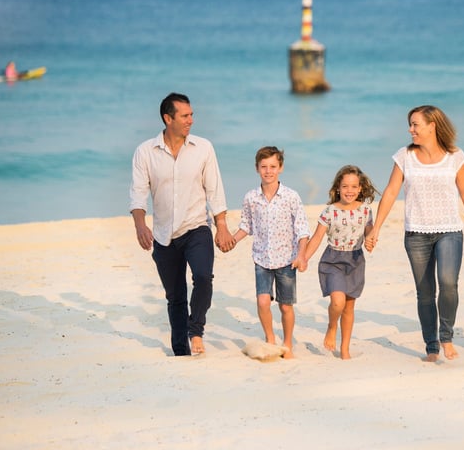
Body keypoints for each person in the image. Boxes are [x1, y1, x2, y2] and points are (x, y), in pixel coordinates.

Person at [365, 105, 464, 362]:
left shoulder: (455, 156)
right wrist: (376, 227)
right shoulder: (404, 156)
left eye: (415, 124)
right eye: (410, 125)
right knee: (424, 291)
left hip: (450, 230)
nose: (411, 130)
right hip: (416, 233)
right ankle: (431, 346)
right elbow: (390, 192)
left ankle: (446, 336)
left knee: (448, 283)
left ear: (432, 125)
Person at [129, 92, 235, 357]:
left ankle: (196, 329)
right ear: (168, 118)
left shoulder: (204, 148)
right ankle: (180, 352)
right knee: (175, 297)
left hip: (197, 226)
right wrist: (140, 225)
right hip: (164, 235)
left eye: (191, 115)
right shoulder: (145, 152)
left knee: (202, 277)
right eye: (185, 116)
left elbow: (215, 190)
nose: (191, 120)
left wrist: (221, 225)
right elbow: (138, 193)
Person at [231, 146, 310, 359]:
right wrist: (232, 240)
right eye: (264, 167)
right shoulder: (251, 198)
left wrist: (301, 255)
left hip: (287, 260)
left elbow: (303, 229)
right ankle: (270, 339)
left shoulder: (291, 196)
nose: (268, 171)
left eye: (273, 166)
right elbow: (246, 226)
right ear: (257, 169)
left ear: (280, 168)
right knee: (263, 302)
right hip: (262, 259)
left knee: (286, 306)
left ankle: (287, 343)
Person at [302, 165, 378, 360]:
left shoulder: (365, 211)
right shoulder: (329, 211)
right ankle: (331, 326)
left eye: (354, 187)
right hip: (333, 260)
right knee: (338, 302)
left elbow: (369, 231)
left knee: (349, 307)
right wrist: (303, 258)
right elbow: (317, 237)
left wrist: (370, 239)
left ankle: (345, 348)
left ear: (360, 188)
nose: (349, 191)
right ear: (337, 188)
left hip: (355, 260)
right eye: (345, 186)